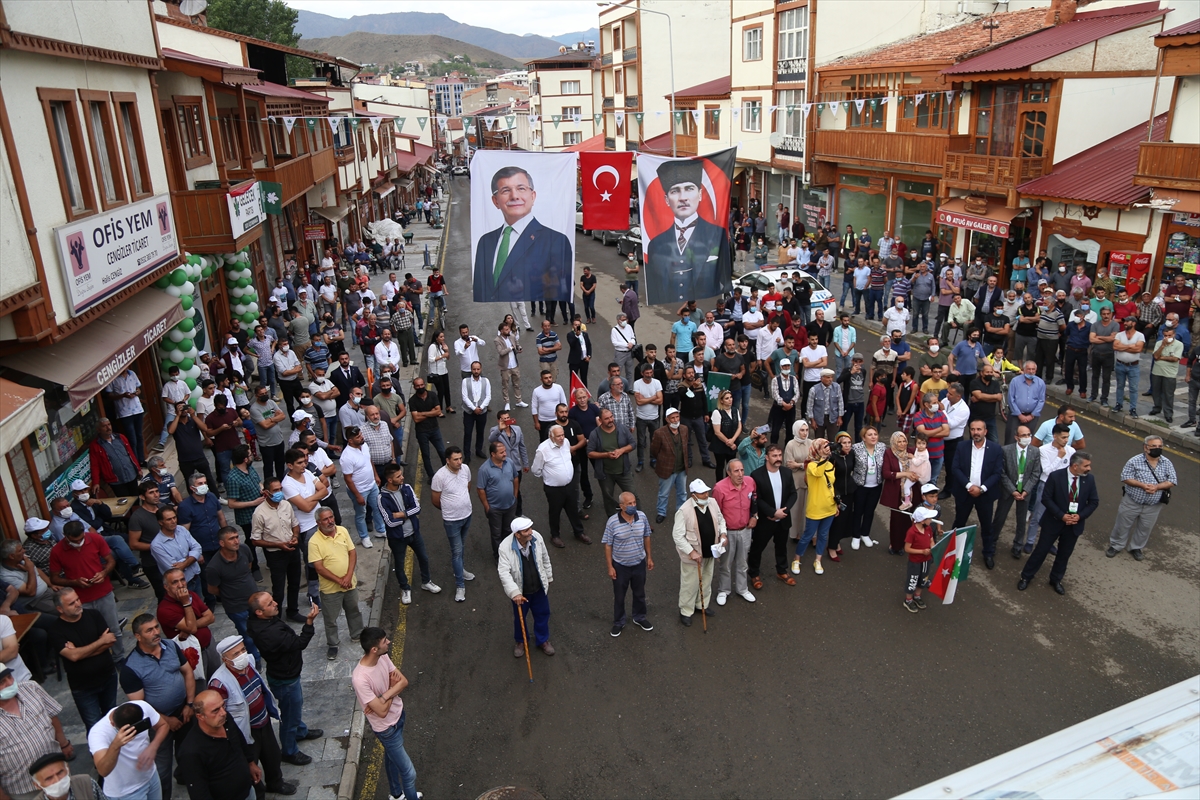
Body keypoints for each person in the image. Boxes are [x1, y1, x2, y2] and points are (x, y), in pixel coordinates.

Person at [118, 615, 195, 800]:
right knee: (162, 767)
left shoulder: (170, 646)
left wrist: (190, 704)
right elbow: (140, 706)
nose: (156, 632)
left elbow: (188, 672)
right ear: (138, 636)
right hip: (158, 723)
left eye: (156, 627)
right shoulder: (131, 668)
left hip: (184, 711)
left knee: (190, 754)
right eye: (149, 630)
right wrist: (166, 720)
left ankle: (186, 779)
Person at [207, 637, 292, 797]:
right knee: (250, 766)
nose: (242, 655)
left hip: (263, 722)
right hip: (245, 731)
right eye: (235, 654)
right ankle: (258, 793)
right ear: (225, 660)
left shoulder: (249, 663)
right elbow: (219, 714)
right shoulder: (219, 683)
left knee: (272, 756)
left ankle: (276, 783)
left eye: (242, 650)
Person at [473, 166, 572, 302]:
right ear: (496, 201)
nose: (514, 196)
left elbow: (559, 290)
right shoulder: (485, 241)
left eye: (521, 188)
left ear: (533, 196)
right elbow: (481, 290)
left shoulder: (555, 240)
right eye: (506, 190)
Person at [246, 593, 322, 767]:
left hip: (285, 674)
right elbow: (300, 642)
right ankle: (289, 750)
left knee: (294, 708)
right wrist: (309, 622)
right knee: (290, 714)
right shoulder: (271, 634)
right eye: (269, 604)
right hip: (286, 679)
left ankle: (300, 731)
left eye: (273, 599)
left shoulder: (261, 622)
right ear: (259, 612)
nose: (275, 604)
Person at [645, 160, 730, 304]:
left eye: (689, 188)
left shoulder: (717, 234)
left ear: (700, 194)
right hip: (667, 311)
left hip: (703, 305)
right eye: (675, 191)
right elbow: (655, 285)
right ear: (666, 200)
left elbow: (725, 276)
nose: (683, 197)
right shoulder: (656, 244)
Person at [351, 629, 422, 800]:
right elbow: (382, 713)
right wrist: (392, 689)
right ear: (374, 649)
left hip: (399, 715)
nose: (388, 642)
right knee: (409, 773)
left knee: (391, 758)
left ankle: (396, 795)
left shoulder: (382, 657)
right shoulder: (360, 679)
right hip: (387, 729)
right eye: (384, 641)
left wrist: (383, 696)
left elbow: (403, 681)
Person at [1018, 452, 1098, 595]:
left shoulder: (1089, 480)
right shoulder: (1056, 477)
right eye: (1086, 466)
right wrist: (1062, 516)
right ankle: (1026, 576)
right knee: (1041, 551)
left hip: (1074, 525)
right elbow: (1046, 499)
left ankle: (1056, 579)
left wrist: (1079, 516)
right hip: (1053, 522)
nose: (1089, 469)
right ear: (1075, 466)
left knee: (1064, 554)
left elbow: (1093, 502)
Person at [48, 521, 126, 662]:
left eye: (81, 539)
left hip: (103, 593)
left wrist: (103, 573)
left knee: (113, 628)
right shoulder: (57, 551)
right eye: (74, 541)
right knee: (88, 634)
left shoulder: (95, 539)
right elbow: (54, 578)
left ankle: (119, 658)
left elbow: (110, 561)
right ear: (65, 536)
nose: (78, 543)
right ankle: (97, 658)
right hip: (80, 600)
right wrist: (74, 582)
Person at [46, 587, 117, 734]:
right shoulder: (55, 630)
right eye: (71, 603)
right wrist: (99, 642)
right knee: (95, 728)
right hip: (84, 687)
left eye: (77, 599)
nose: (78, 604)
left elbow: (109, 641)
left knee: (113, 720)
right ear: (60, 609)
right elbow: (73, 657)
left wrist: (80, 651)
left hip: (108, 677)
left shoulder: (94, 615)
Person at [176, 690, 261, 800]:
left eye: (223, 706)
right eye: (215, 711)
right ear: (200, 716)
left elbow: (239, 739)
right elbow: (199, 793)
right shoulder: (191, 752)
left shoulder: (225, 719)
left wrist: (250, 762)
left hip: (248, 792)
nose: (223, 713)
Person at [376, 465, 439, 606]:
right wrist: (407, 515)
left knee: (424, 558)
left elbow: (418, 508)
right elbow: (389, 522)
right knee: (399, 565)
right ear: (390, 480)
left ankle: (426, 582)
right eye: (398, 476)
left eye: (401, 475)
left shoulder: (407, 488)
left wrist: (402, 514)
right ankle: (405, 588)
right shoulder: (381, 498)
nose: (402, 478)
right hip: (397, 538)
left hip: (414, 533)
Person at [1107, 436, 1177, 561]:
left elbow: (1172, 480)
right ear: (1146, 447)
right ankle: (1116, 545)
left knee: (1145, 528)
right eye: (1154, 446)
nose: (1157, 449)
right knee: (1122, 525)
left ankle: (1136, 547)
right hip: (1132, 501)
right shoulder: (1134, 461)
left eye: (1160, 447)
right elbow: (1125, 477)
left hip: (1153, 505)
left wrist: (1157, 487)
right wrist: (1142, 485)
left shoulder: (1167, 462)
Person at [307, 507, 363, 661]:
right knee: (330, 619)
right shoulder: (314, 542)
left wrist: (348, 576)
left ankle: (357, 635)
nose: (330, 521)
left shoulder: (342, 531)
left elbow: (352, 552)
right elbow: (319, 567)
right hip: (331, 589)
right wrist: (340, 581)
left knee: (354, 611)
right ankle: (333, 644)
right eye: (325, 519)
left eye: (331, 517)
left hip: (349, 583)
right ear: (318, 522)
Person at [88, 700, 170, 800]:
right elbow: (103, 770)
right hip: (125, 793)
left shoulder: (143, 706)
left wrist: (153, 747)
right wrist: (116, 745)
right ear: (112, 723)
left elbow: (163, 725)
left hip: (151, 777)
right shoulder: (98, 733)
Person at [672, 480, 727, 627]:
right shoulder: (684, 511)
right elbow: (677, 536)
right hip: (693, 556)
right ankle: (686, 610)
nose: (706, 494)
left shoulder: (713, 502)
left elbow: (721, 520)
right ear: (693, 495)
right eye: (702, 492)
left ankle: (702, 605)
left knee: (707, 580)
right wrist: (691, 552)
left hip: (710, 552)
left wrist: (723, 534)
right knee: (690, 584)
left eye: (706, 491)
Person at [950, 419, 1004, 569]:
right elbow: (956, 468)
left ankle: (988, 553)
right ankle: (951, 549)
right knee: (959, 522)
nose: (976, 432)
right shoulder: (962, 446)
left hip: (985, 495)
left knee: (987, 525)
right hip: (964, 492)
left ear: (985, 431)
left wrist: (982, 488)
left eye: (979, 429)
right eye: (973, 429)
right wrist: (969, 486)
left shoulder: (995, 449)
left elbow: (997, 473)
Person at [497, 517, 555, 656]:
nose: (531, 532)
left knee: (542, 614)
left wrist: (548, 576)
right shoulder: (505, 547)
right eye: (526, 530)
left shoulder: (536, 537)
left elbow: (545, 558)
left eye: (530, 528)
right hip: (521, 591)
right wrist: (514, 592)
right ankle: (521, 641)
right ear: (517, 534)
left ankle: (542, 640)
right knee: (520, 617)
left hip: (539, 588)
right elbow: (503, 572)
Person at [250, 479, 304, 624]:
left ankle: (293, 611)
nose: (279, 493)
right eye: (275, 490)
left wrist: (295, 537)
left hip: (292, 549)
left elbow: (295, 525)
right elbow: (255, 540)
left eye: (280, 489)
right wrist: (278, 545)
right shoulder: (259, 513)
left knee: (294, 582)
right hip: (275, 554)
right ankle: (276, 616)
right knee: (278, 588)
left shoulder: (286, 505)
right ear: (266, 493)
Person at [747, 445, 798, 590]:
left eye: (779, 455)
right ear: (767, 457)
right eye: (774, 456)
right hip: (765, 520)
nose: (778, 459)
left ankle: (782, 571)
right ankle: (754, 573)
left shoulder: (787, 473)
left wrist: (784, 511)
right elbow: (757, 499)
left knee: (781, 546)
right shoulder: (756, 475)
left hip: (783, 519)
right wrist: (772, 512)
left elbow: (793, 494)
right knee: (758, 547)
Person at [532, 423, 588, 548]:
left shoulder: (566, 442)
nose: (562, 438)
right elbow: (536, 470)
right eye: (558, 436)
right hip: (554, 489)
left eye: (562, 435)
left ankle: (579, 532)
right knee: (555, 512)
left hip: (569, 484)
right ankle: (555, 536)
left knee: (573, 509)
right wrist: (549, 476)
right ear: (551, 436)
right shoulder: (542, 449)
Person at [431, 447, 475, 603]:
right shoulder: (439, 476)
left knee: (461, 546)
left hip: (467, 516)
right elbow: (435, 500)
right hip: (452, 520)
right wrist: (451, 509)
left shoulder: (465, 469)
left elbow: (467, 486)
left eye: (460, 458)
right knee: (456, 551)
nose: (459, 462)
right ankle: (460, 586)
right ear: (447, 460)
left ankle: (461, 570)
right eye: (456, 459)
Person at [156, 568, 218, 679]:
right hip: (191, 653)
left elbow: (210, 617)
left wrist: (188, 627)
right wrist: (186, 603)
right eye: (175, 582)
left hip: (209, 644)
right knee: (200, 686)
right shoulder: (165, 609)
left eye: (182, 580)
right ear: (166, 587)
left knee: (217, 677)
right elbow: (192, 628)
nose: (180, 585)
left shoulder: (192, 595)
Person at [994, 425, 1042, 559]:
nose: (1027, 438)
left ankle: (1018, 545)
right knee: (1000, 517)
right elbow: (1002, 473)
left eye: (1028, 434)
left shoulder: (1035, 452)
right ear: (1016, 437)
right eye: (1023, 435)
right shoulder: (1006, 450)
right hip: (1008, 490)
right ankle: (992, 541)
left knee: (1022, 521)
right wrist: (1013, 490)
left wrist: (1026, 490)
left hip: (1025, 491)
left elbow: (1035, 473)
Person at [587, 408, 636, 519]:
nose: (610, 420)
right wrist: (606, 455)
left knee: (633, 495)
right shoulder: (595, 434)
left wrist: (621, 450)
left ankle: (638, 518)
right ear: (600, 420)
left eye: (611, 417)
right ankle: (612, 521)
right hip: (605, 474)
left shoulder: (622, 428)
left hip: (624, 471)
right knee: (608, 498)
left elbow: (633, 444)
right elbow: (590, 453)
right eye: (606, 418)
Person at [89, 418, 142, 498]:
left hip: (131, 474)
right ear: (99, 430)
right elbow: (95, 465)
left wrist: (138, 469)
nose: (108, 428)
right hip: (115, 480)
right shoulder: (95, 446)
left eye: (109, 424)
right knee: (125, 502)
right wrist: (96, 482)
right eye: (104, 426)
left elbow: (131, 454)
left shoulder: (120, 437)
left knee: (136, 499)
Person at [901, 507, 938, 613]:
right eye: (929, 518)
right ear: (922, 521)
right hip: (915, 562)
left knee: (924, 578)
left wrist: (933, 547)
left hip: (926, 560)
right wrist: (922, 552)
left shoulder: (928, 528)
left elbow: (931, 540)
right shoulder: (912, 532)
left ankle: (917, 596)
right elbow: (907, 548)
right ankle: (908, 599)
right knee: (913, 579)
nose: (931, 520)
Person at [249, 387, 288, 484]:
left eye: (266, 393)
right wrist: (275, 418)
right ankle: (269, 486)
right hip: (266, 444)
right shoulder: (254, 409)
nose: (265, 395)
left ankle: (281, 483)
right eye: (262, 394)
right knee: (268, 467)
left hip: (279, 440)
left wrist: (271, 419)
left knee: (280, 465)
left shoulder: (271, 403)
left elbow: (282, 416)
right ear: (256, 396)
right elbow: (264, 425)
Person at [27, 752, 104, 800]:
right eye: (49, 778)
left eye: (60, 772)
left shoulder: (86, 783)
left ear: (67, 769)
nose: (57, 780)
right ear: (37, 785)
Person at [1149, 324, 1184, 422]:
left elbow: (1175, 358)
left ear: (1174, 335)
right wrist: (1162, 346)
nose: (1167, 338)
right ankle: (1157, 408)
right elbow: (1155, 356)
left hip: (1170, 373)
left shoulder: (1179, 345)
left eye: (1169, 336)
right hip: (1157, 371)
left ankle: (1168, 413)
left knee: (1168, 394)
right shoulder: (1159, 343)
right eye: (1165, 336)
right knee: (1156, 392)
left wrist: (1162, 358)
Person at [1006, 361, 1046, 445]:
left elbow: (1041, 400)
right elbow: (1011, 399)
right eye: (1028, 369)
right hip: (1015, 415)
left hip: (1032, 417)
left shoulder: (1041, 383)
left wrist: (1032, 415)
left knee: (1027, 440)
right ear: (1023, 370)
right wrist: (1019, 414)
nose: (1031, 371)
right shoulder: (1015, 381)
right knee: (1011, 439)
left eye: (1033, 369)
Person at [1113, 315, 1145, 416]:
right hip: (1120, 364)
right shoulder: (1119, 335)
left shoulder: (1140, 335)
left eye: (1127, 322)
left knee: (1133, 388)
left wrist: (1122, 347)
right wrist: (1130, 346)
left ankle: (1133, 408)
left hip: (1133, 366)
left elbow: (1138, 349)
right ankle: (1119, 404)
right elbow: (1115, 346)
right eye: (1125, 321)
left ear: (1134, 323)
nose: (1125, 323)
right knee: (1120, 386)